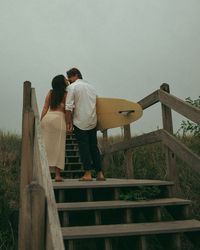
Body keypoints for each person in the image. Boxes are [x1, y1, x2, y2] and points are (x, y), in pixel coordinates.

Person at [65, 68, 105, 181]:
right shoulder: (91, 87)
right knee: (94, 147)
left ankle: (87, 174)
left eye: (70, 78)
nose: (69, 81)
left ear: (75, 75)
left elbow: (68, 107)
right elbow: (97, 103)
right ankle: (100, 173)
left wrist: (68, 123)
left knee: (84, 148)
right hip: (92, 120)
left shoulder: (72, 87)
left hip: (80, 121)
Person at [41, 75, 68, 182]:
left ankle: (45, 174)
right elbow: (67, 110)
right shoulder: (66, 94)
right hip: (59, 120)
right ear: (62, 83)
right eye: (65, 80)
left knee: (46, 147)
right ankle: (57, 175)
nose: (67, 81)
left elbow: (45, 107)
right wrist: (69, 124)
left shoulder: (50, 93)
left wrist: (40, 121)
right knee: (58, 148)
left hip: (47, 119)